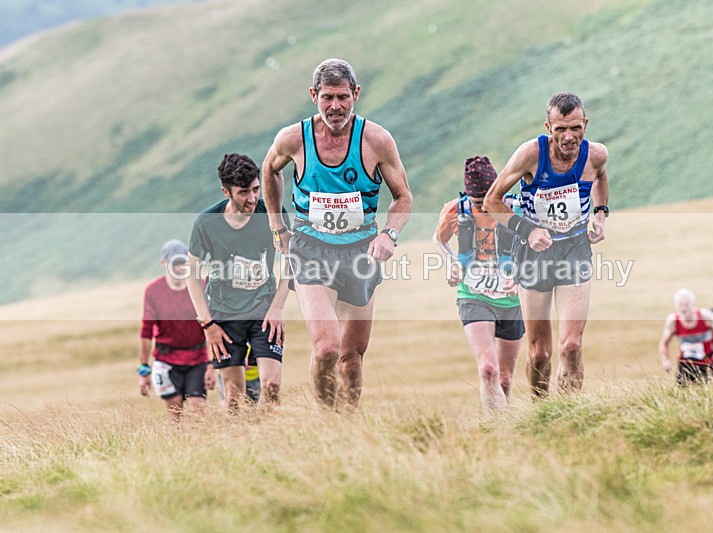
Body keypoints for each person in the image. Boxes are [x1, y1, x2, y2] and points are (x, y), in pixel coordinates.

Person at [261, 58, 413, 411]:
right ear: (313, 95)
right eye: (327, 97)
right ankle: (326, 421)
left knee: (351, 358)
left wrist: (388, 234)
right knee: (327, 347)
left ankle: (346, 424)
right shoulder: (293, 138)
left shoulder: (376, 140)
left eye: (342, 97)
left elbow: (403, 197)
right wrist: (277, 226)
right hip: (310, 247)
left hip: (361, 251)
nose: (335, 106)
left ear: (355, 94)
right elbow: (269, 169)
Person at [483, 92, 609, 397]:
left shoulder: (595, 155)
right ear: (548, 127)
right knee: (540, 352)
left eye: (575, 128)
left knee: (572, 346)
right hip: (534, 254)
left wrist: (600, 214)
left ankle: (569, 411)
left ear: (585, 124)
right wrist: (527, 230)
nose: (569, 137)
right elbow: (492, 201)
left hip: (574, 248)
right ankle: (542, 408)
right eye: (560, 129)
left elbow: (601, 176)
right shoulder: (531, 154)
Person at [186, 153, 291, 411]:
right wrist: (207, 324)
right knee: (233, 397)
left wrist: (277, 307)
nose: (252, 198)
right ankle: (238, 436)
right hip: (224, 315)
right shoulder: (206, 222)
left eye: (256, 189)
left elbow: (292, 261)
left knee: (271, 386)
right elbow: (191, 274)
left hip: (264, 310)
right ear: (226, 192)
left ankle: (272, 434)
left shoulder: (273, 213)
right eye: (244, 192)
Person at [433, 156, 524, 411]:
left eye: (488, 202)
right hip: (473, 294)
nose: (484, 209)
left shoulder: (516, 208)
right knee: (488, 369)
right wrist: (451, 262)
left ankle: (505, 425)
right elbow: (439, 240)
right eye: (477, 204)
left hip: (511, 300)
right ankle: (494, 426)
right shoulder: (456, 209)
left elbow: (535, 245)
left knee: (504, 378)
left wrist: (520, 276)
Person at [139, 239, 215, 422]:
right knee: (175, 409)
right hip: (167, 360)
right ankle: (176, 440)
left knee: (198, 408)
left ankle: (200, 440)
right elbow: (146, 331)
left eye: (183, 263)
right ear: (163, 263)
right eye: (175, 263)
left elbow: (210, 327)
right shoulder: (153, 291)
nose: (179, 268)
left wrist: (211, 365)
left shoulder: (201, 285)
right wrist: (144, 369)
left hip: (197, 358)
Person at [658, 288, 713, 385]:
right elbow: (664, 342)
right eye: (680, 305)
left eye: (686, 305)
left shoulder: (705, 316)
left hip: (708, 363)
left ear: (692, 304)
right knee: (681, 391)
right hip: (685, 364)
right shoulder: (673, 321)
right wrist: (665, 359)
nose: (683, 308)